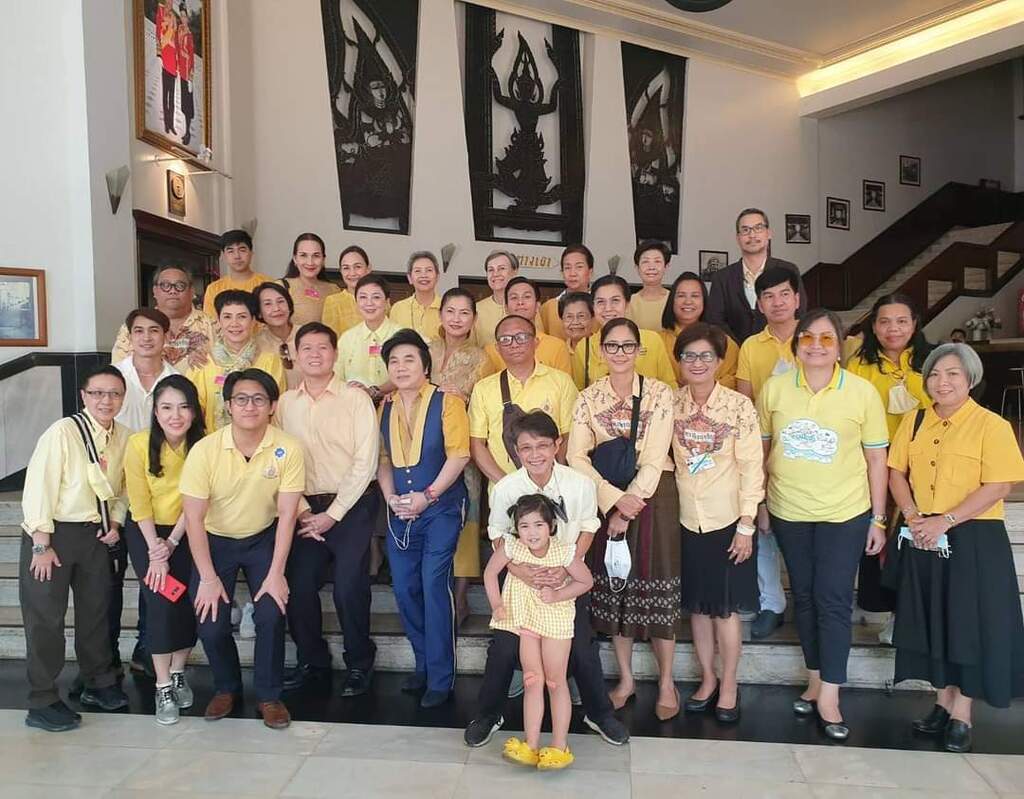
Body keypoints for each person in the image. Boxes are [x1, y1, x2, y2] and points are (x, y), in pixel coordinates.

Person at [757, 309, 889, 741]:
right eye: (808, 337)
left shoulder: (861, 392)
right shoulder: (775, 389)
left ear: (840, 345)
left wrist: (878, 519)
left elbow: (876, 459)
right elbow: (762, 452)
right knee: (806, 598)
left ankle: (831, 694)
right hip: (789, 510)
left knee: (833, 599)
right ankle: (815, 680)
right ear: (796, 344)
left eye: (827, 338)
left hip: (844, 514)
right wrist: (760, 503)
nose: (816, 345)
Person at [886, 343, 1024, 752]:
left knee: (969, 625)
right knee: (934, 620)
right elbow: (896, 473)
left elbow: (999, 485)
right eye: (934, 374)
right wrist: (912, 515)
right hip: (923, 534)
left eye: (952, 374)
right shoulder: (914, 421)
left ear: (970, 380)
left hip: (973, 537)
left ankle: (962, 712)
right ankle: (942, 703)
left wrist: (945, 520)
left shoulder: (991, 425)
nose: (941, 382)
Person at [465, 410, 629, 748]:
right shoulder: (506, 488)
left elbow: (588, 528)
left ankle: (599, 714)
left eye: (542, 445)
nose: (535, 454)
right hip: (520, 581)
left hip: (566, 578)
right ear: (516, 451)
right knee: (503, 647)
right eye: (526, 448)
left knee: (582, 646)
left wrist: (567, 567)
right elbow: (498, 535)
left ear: (557, 445)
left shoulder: (579, 484)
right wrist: (518, 569)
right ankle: (488, 714)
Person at [567, 318, 682, 718]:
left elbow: (655, 455)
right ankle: (627, 679)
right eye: (612, 346)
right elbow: (576, 456)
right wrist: (614, 501)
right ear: (601, 351)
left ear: (638, 350)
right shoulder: (587, 398)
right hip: (605, 497)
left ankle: (666, 682)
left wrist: (629, 504)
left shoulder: (659, 393)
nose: (620, 353)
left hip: (654, 497)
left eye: (627, 346)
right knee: (617, 588)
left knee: (656, 590)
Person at [181, 368, 305, 729]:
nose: (250, 406)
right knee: (210, 621)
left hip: (263, 537)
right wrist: (207, 578)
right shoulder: (205, 450)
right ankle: (226, 688)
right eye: (241, 399)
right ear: (228, 406)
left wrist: (277, 572)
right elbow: (193, 518)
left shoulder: (288, 448)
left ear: (272, 406)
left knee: (271, 612)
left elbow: (287, 514)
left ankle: (269, 696)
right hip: (215, 540)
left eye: (259, 399)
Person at [21, 365, 131, 731]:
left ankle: (98, 682)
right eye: (98, 393)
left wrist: (115, 523)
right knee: (46, 619)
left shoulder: (125, 437)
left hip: (95, 535)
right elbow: (39, 485)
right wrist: (41, 543)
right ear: (83, 396)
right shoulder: (63, 432)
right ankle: (42, 699)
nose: (106, 400)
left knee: (95, 612)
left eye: (114, 393)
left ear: (123, 398)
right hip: (53, 535)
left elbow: (123, 489)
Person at [276, 322, 381, 697]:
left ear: (335, 354)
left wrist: (333, 514)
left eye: (323, 347)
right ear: (296, 354)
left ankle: (359, 661)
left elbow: (365, 461)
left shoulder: (356, 399)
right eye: (306, 348)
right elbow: (279, 456)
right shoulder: (285, 404)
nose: (315, 354)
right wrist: (304, 511)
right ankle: (312, 660)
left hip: (352, 504)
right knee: (299, 584)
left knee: (350, 585)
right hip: (304, 508)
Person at [671, 324, 763, 722]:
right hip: (686, 520)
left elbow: (752, 466)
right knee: (698, 608)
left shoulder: (739, 407)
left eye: (705, 356)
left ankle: (729, 684)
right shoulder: (671, 404)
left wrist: (747, 524)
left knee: (725, 610)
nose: (697, 363)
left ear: (720, 361)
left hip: (728, 521)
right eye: (689, 356)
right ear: (679, 361)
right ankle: (707, 678)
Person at [377, 330, 470, 707]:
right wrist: (390, 498)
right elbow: (383, 460)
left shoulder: (448, 401)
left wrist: (428, 496)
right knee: (404, 588)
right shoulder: (385, 407)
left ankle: (441, 676)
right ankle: (423, 664)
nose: (401, 367)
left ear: (425, 366)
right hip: (400, 510)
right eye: (394, 361)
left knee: (433, 585)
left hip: (442, 507)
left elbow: (459, 455)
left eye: (409, 359)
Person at [846, 293, 933, 638]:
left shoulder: (931, 361)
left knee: (913, 538)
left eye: (901, 321)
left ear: (914, 324)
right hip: (875, 462)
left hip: (923, 464)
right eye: (884, 321)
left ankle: (909, 612)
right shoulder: (859, 365)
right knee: (877, 535)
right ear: (873, 326)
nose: (892, 329)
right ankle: (882, 607)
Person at [485, 494, 593, 770]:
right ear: (516, 528)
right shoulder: (512, 547)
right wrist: (496, 604)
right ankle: (531, 745)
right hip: (527, 620)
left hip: (556, 621)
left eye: (538, 525)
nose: (531, 533)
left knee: (555, 682)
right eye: (524, 526)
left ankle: (559, 746)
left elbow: (586, 581)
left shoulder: (564, 552)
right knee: (532, 679)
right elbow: (490, 573)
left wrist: (558, 595)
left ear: (551, 526)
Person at [123, 375, 203, 725]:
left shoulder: (205, 445)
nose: (175, 415)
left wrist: (173, 542)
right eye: (166, 407)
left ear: (194, 411)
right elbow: (138, 500)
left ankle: (179, 672)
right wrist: (156, 549)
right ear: (155, 412)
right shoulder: (138, 444)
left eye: (184, 407)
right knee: (160, 603)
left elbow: (198, 499)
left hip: (189, 529)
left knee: (187, 602)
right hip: (146, 531)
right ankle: (162, 685)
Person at [736, 265, 801, 639]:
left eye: (784, 294)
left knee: (800, 528)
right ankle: (771, 603)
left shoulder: (813, 338)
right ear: (759, 304)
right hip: (761, 446)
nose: (777, 302)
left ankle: (806, 601)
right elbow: (744, 402)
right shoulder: (750, 346)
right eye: (768, 296)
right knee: (761, 527)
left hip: (805, 450)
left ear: (797, 298)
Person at [428, 288, 494, 626]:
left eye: (464, 312)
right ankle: (435, 591)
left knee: (466, 515)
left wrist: (463, 397)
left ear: (474, 319)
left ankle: (462, 594)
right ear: (440, 314)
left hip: (463, 448)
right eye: (450, 311)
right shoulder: (425, 349)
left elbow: (484, 404)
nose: (456, 319)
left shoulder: (482, 358)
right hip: (425, 446)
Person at [469, 315, 579, 486]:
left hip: (553, 487)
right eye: (505, 339)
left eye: (521, 337)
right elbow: (477, 444)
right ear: (497, 348)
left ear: (536, 342)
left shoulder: (561, 381)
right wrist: (508, 485)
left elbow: (569, 436)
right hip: (504, 490)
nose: (514, 344)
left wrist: (551, 479)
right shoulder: (483, 388)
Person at [188, 290, 286, 432]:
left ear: (253, 321)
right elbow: (193, 411)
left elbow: (276, 409)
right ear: (219, 321)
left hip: (260, 440)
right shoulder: (202, 362)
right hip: (213, 441)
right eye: (227, 317)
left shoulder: (270, 362)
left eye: (242, 317)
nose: (234, 324)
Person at [705, 208, 805, 343]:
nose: (752, 235)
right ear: (738, 238)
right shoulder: (722, 278)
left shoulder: (788, 270)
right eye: (745, 230)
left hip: (781, 348)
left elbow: (799, 312)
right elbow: (715, 321)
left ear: (768, 233)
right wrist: (740, 349)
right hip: (734, 351)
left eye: (758, 228)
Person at [572, 275, 676, 390]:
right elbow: (579, 391)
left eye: (615, 300)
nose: (608, 308)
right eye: (600, 302)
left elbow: (670, 387)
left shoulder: (652, 340)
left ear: (627, 304)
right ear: (593, 307)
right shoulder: (584, 347)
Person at [111, 264, 214, 370]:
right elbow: (118, 369)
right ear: (155, 291)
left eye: (180, 285)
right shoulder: (134, 326)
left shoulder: (212, 324)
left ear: (192, 291)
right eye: (165, 285)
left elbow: (223, 367)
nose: (172, 291)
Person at [659, 272, 739, 389]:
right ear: (672, 301)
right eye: (681, 296)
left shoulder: (725, 342)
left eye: (695, 296)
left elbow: (735, 380)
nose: (688, 301)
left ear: (705, 301)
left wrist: (701, 386)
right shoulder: (657, 341)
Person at [334, 274, 401, 403]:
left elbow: (408, 375)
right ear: (356, 302)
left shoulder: (401, 336)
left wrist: (374, 391)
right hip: (353, 407)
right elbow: (336, 378)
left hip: (392, 406)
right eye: (363, 297)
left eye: (376, 297)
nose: (369, 303)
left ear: (387, 302)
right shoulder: (347, 338)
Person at [485, 277, 572, 375]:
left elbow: (563, 383)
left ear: (537, 306)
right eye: (514, 298)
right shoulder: (491, 351)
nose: (520, 302)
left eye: (527, 297)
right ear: (506, 307)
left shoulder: (557, 347)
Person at [115, 308, 180, 432]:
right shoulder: (113, 376)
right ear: (130, 337)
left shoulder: (177, 380)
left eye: (154, 331)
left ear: (166, 337)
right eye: (139, 331)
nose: (146, 338)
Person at [474, 251, 540, 347]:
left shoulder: (527, 307)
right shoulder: (477, 309)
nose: (495, 274)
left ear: (514, 271)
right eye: (490, 270)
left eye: (501, 268)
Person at [202, 230, 273, 317]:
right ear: (224, 256)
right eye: (230, 251)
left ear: (251, 253)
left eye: (242, 250)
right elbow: (211, 322)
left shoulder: (268, 284)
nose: (237, 256)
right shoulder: (213, 289)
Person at [281, 232, 340, 327]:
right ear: (295, 259)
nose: (310, 262)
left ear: (323, 260)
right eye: (303, 255)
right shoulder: (281, 287)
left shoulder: (334, 290)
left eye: (316, 256)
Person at [541, 245, 594, 340]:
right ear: (562, 273)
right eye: (567, 268)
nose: (572, 273)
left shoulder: (600, 307)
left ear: (590, 272)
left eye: (579, 267)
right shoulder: (548, 307)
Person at [254, 282, 300, 389]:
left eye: (280, 301)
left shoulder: (308, 335)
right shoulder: (255, 344)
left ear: (289, 306)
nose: (276, 308)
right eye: (267, 304)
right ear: (259, 313)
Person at [389, 251, 441, 339]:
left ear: (437, 277)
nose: (423, 275)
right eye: (418, 271)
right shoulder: (398, 308)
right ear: (409, 278)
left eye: (429, 270)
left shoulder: (447, 308)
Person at [322, 245, 371, 337]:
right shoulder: (333, 301)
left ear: (368, 269)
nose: (352, 273)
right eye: (346, 268)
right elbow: (330, 339)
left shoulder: (379, 299)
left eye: (357, 267)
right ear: (341, 271)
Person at [628, 240, 671, 331]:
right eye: (645, 262)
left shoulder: (674, 300)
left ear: (666, 267)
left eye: (657, 261)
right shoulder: (629, 303)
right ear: (637, 268)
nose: (651, 267)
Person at [559, 292, 595, 390]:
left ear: (593, 318)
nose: (575, 322)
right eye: (569, 317)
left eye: (581, 316)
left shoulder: (601, 349)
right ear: (561, 320)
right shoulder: (558, 350)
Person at [155, 0, 178, 135]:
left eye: (171, 2)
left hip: (173, 60)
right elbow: (158, 31)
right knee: (165, 95)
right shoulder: (161, 12)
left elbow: (175, 39)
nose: (169, 4)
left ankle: (171, 125)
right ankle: (166, 124)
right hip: (165, 56)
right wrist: (159, 52)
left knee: (172, 97)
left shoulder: (173, 18)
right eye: (168, 2)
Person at [175, 2, 195, 146]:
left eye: (184, 16)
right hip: (181, 71)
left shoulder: (189, 34)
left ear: (187, 18)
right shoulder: (179, 30)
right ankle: (185, 130)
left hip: (187, 72)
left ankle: (188, 132)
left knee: (188, 103)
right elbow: (176, 46)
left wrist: (191, 72)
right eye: (181, 16)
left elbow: (191, 55)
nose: (183, 18)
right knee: (183, 102)